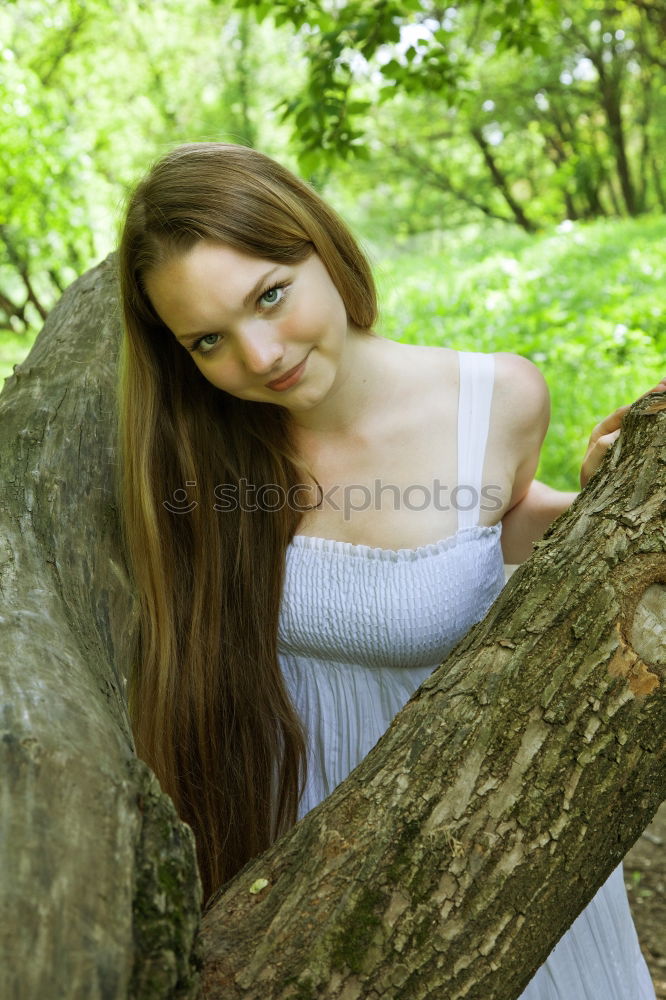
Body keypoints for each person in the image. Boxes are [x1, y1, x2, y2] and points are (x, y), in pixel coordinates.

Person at [117, 142, 657, 998]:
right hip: (292, 873)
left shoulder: (497, 400)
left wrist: (603, 501)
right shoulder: (196, 457)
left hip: (481, 850)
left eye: (270, 296)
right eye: (209, 339)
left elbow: (487, 521)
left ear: (321, 246)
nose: (259, 357)